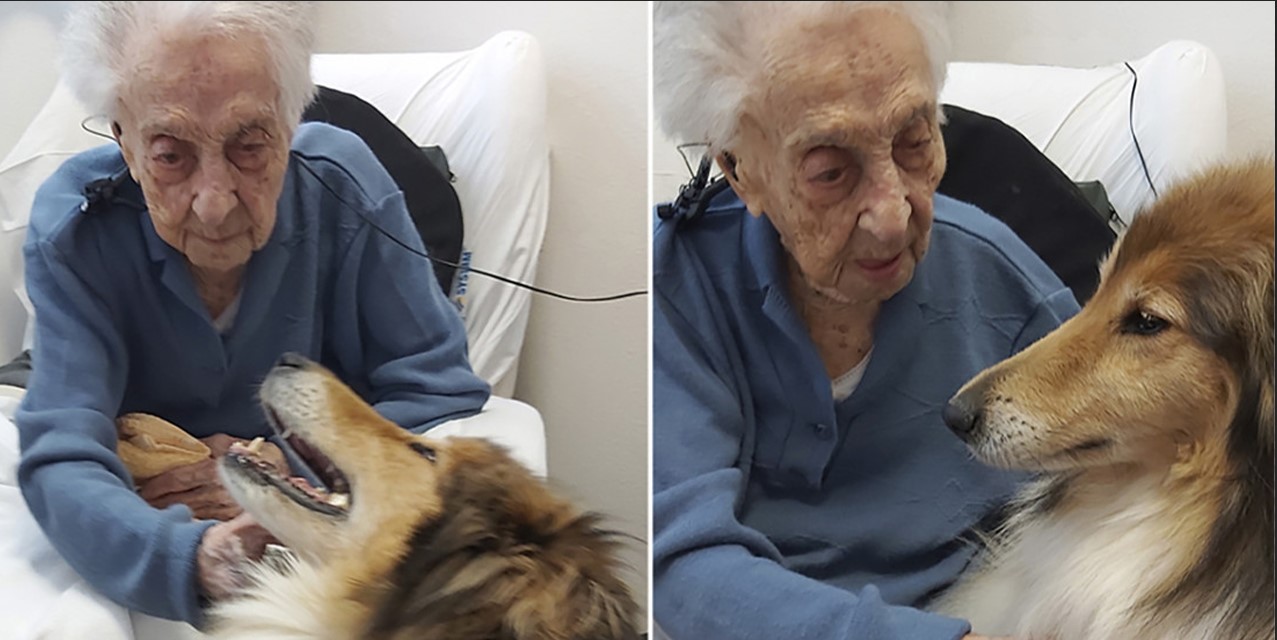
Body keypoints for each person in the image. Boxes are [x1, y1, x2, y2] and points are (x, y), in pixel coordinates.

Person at [16, 0, 489, 628]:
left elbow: (437, 390)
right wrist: (201, 560)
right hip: (140, 513)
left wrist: (284, 471)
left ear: (291, 125)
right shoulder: (74, 227)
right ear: (123, 142)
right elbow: (63, 448)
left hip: (321, 510)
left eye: (249, 145)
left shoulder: (349, 190)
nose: (213, 204)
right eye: (170, 154)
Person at [651, 2, 1079, 639]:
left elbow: (1115, 503)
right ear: (740, 171)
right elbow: (684, 563)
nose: (893, 214)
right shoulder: (678, 289)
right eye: (830, 171)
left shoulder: (1008, 288)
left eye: (914, 143)